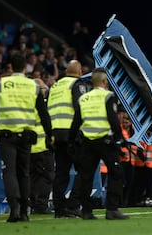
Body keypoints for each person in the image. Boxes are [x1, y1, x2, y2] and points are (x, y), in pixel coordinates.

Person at [0, 53, 52, 222]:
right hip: (26, 136)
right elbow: (43, 114)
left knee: (9, 172)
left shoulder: (2, 84)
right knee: (24, 173)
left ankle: (15, 211)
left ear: (10, 66)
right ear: (24, 67)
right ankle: (25, 213)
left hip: (7, 135)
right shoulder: (33, 86)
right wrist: (50, 134)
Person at [69, 67, 129, 220]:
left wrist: (72, 142)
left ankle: (87, 211)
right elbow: (113, 119)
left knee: (86, 176)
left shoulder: (83, 98)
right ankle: (112, 209)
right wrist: (120, 139)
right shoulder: (108, 96)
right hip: (105, 141)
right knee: (116, 172)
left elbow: (76, 123)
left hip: (87, 142)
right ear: (104, 81)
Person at [47, 59, 89, 218]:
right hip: (72, 133)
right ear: (80, 73)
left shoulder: (55, 86)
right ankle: (72, 205)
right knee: (85, 169)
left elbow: (47, 110)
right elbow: (81, 108)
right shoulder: (78, 84)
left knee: (61, 173)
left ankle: (59, 209)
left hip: (56, 134)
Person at [29, 78, 54, 214]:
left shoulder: (25, 106)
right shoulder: (44, 104)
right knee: (46, 177)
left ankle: (33, 204)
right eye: (44, 89)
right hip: (42, 146)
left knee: (32, 177)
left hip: (29, 148)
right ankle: (41, 205)